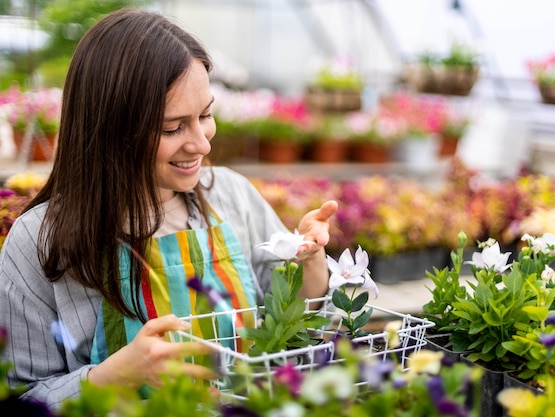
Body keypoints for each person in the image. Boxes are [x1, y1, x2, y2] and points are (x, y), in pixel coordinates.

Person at [0, 8, 337, 409]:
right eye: (172, 128)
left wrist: (310, 262)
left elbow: (296, 330)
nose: (202, 143)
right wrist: (110, 377)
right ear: (111, 129)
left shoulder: (233, 196)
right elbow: (22, 399)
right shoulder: (38, 242)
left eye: (206, 115)